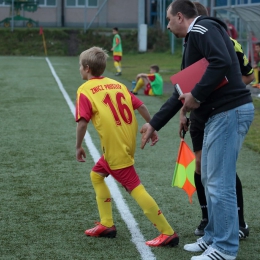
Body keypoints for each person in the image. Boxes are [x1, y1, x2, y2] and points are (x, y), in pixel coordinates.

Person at [140, 1, 254, 259]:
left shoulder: (202, 29)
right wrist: (154, 123)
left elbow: (222, 61)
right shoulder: (194, 39)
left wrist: (198, 95)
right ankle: (213, 237)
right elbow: (182, 91)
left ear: (180, 16)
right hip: (220, 114)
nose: (167, 25)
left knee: (219, 183)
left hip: (228, 113)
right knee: (210, 179)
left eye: (168, 20)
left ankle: (224, 248)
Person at [75, 46, 179, 247]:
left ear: (87, 68)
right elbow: (141, 105)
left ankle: (167, 232)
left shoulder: (84, 90)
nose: (80, 69)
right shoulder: (117, 84)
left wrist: (78, 146)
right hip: (126, 142)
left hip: (115, 148)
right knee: (96, 175)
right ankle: (107, 224)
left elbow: (82, 123)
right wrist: (153, 127)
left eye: (80, 66)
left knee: (134, 188)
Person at [187, 1, 254, 240]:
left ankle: (238, 222)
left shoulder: (223, 41)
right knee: (200, 165)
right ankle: (208, 219)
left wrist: (221, 92)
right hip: (199, 113)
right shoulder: (190, 42)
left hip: (222, 110)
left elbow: (248, 75)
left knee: (222, 171)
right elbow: (188, 82)